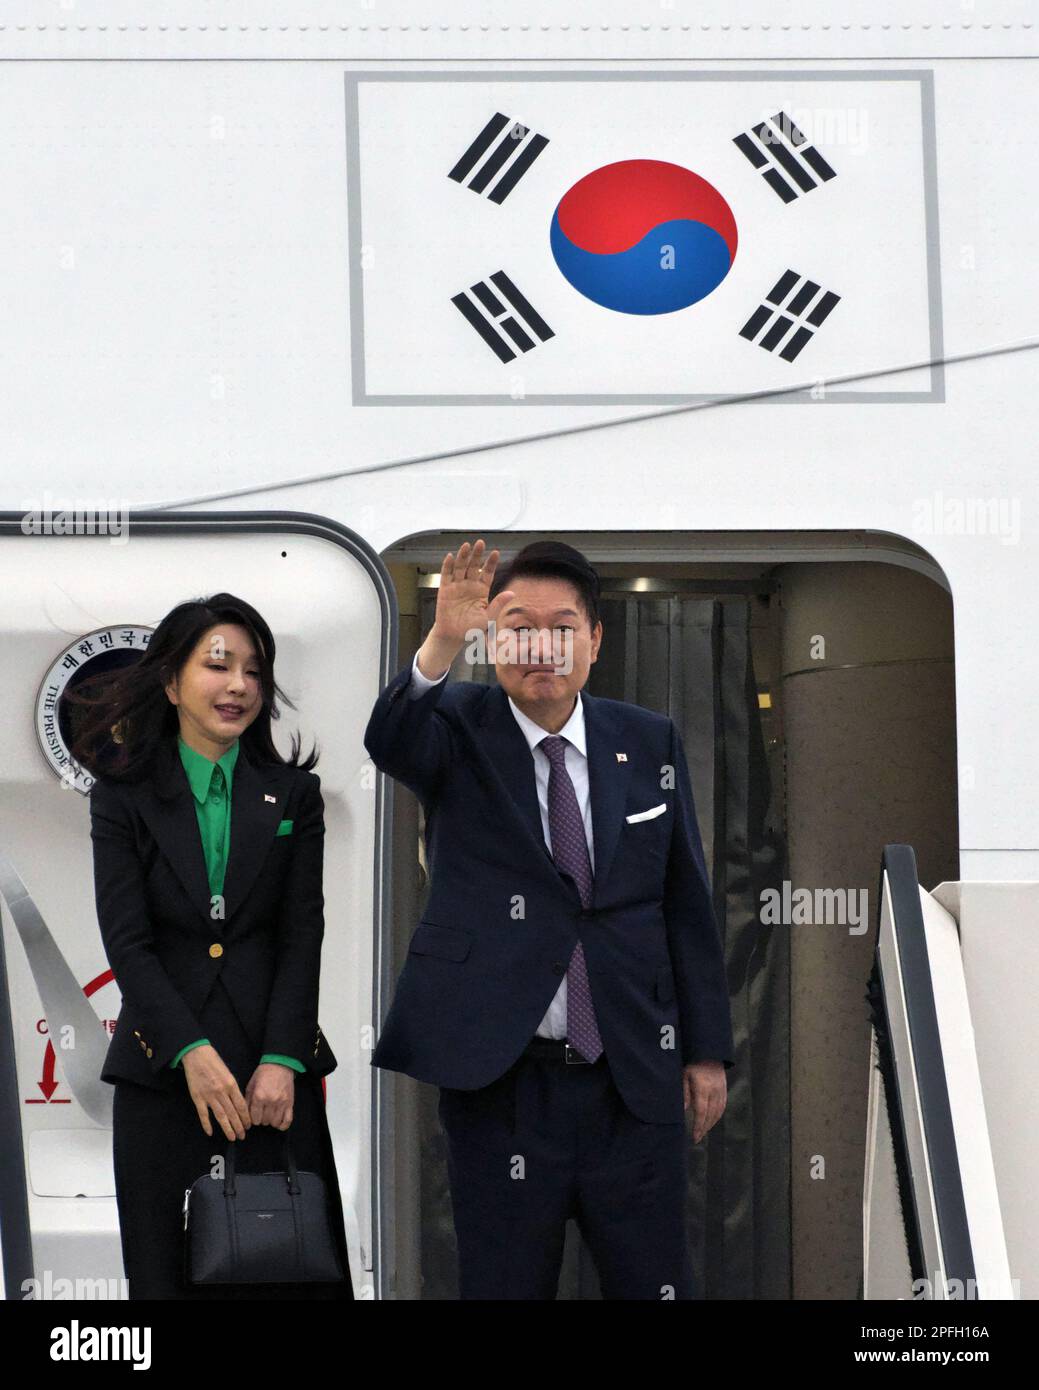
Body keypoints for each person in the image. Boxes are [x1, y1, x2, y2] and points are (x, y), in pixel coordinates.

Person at [365, 538, 735, 1300]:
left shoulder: (646, 739)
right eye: (515, 624)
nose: (541, 644)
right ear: (491, 637)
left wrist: (704, 1051)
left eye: (561, 626)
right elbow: (390, 741)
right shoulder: (458, 725)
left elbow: (684, 902)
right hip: (503, 1082)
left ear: (593, 641)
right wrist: (441, 640)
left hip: (632, 1077)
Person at [70, 593, 352, 1300]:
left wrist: (282, 1060)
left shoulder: (293, 795)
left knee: (286, 1268)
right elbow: (128, 941)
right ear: (170, 682)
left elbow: (301, 932)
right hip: (162, 1073)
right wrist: (191, 1055)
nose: (238, 687)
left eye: (254, 672)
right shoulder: (122, 797)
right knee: (164, 1275)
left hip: (272, 1083)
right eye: (218, 666)